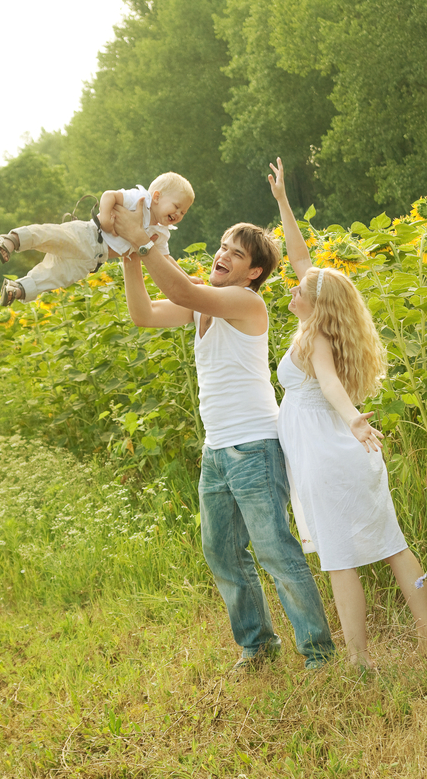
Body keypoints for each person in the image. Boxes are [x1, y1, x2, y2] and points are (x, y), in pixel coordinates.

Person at [113, 201, 335, 672]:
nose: (222, 255)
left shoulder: (246, 303)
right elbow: (143, 314)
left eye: (236, 253)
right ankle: (258, 646)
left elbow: (179, 288)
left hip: (254, 447)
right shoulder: (201, 306)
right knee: (221, 552)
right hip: (216, 449)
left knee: (275, 551)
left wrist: (143, 239)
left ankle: (318, 653)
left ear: (254, 272)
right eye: (222, 246)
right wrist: (130, 256)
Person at [268, 157, 427, 669]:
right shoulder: (320, 321)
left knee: (340, 560)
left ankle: (359, 658)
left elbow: (328, 384)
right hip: (343, 454)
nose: (292, 288)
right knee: (393, 545)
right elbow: (301, 259)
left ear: (316, 304)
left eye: (300, 289)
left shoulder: (314, 339)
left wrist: (354, 418)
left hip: (329, 456)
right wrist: (283, 203)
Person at [0, 172, 194, 306]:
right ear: (157, 197)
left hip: (94, 259)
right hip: (88, 235)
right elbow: (109, 195)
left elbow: (165, 260)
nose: (178, 214)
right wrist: (105, 218)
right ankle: (11, 240)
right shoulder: (139, 199)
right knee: (50, 236)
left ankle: (17, 289)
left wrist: (187, 280)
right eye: (176, 206)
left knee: (56, 276)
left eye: (183, 212)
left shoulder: (161, 234)